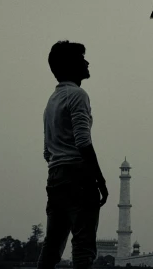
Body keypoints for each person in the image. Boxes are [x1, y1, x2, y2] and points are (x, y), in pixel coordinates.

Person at [38, 41, 109, 269]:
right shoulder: (77, 95)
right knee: (83, 246)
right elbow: (83, 142)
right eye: (81, 59)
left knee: (52, 246)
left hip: (55, 177)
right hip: (78, 176)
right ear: (70, 66)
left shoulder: (51, 101)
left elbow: (47, 151)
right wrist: (99, 179)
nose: (87, 62)